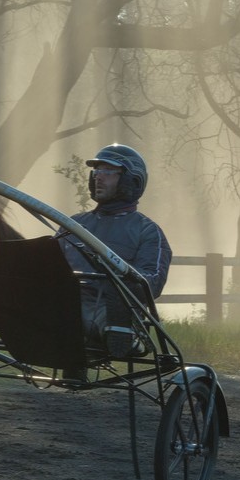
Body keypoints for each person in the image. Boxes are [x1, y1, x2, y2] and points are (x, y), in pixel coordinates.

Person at [56, 143, 172, 356]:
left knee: (111, 308)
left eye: (108, 171)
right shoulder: (73, 224)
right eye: (97, 171)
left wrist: (118, 283)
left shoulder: (147, 231)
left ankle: (125, 334)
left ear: (131, 180)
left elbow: (151, 283)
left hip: (112, 309)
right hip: (66, 302)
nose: (99, 177)